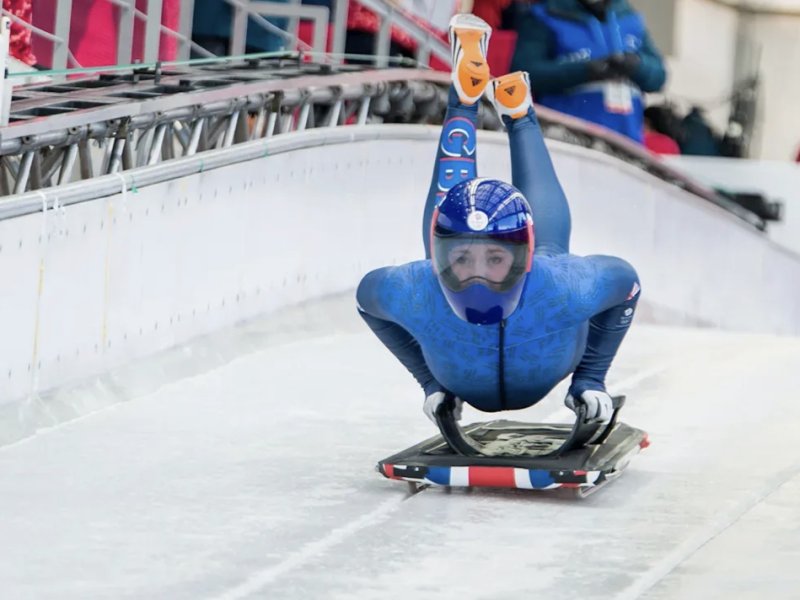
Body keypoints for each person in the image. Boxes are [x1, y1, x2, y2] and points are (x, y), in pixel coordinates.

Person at [357, 14, 641, 425]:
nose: (477, 278)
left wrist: (591, 378)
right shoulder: (413, 287)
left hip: (531, 283)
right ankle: (511, 111)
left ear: (520, 258)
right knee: (456, 226)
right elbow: (368, 304)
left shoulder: (565, 285)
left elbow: (625, 285)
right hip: (507, 336)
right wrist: (430, 384)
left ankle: (484, 108)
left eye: (494, 259)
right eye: (462, 261)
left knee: (547, 250)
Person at [509, 0, 666, 144]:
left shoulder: (629, 17)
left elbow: (659, 77)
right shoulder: (545, 15)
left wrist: (636, 65)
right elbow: (523, 73)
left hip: (627, 142)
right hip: (567, 140)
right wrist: (585, 71)